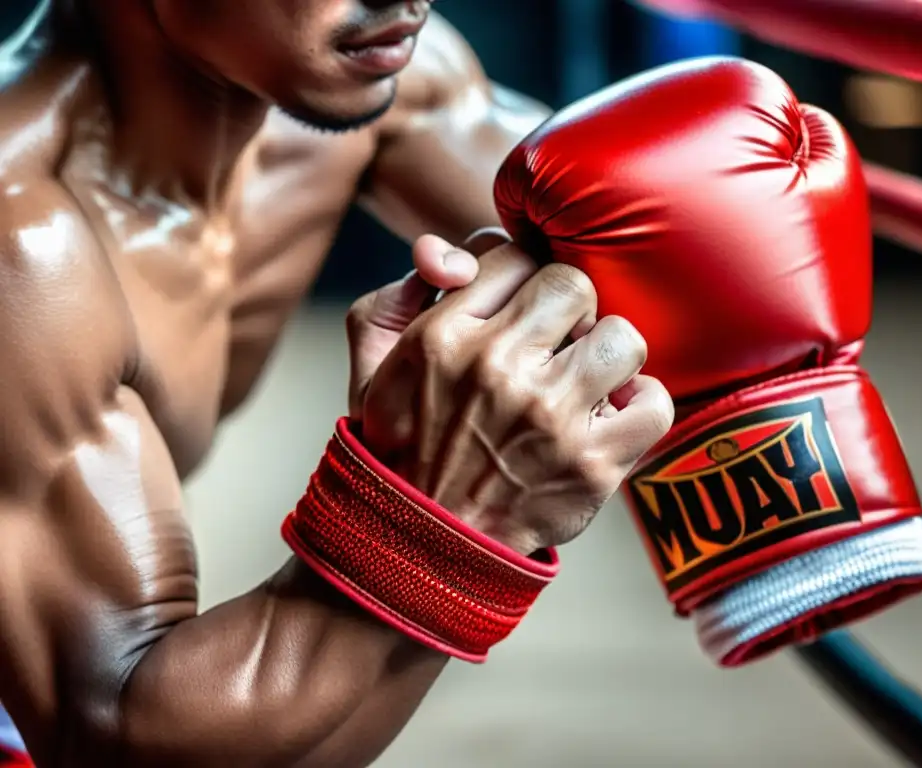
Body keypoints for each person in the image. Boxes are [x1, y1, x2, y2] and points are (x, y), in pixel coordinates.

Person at [0, 1, 675, 765]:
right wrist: (437, 516)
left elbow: (676, 258)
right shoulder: (20, 247)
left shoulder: (375, 74)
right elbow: (114, 745)